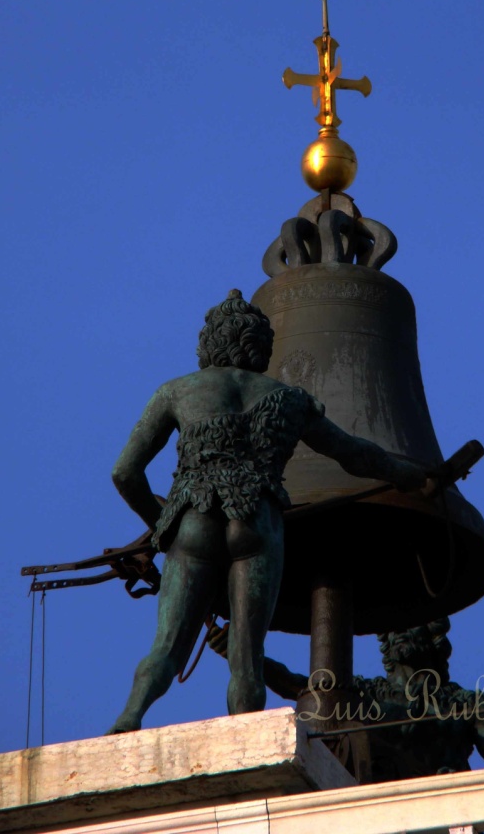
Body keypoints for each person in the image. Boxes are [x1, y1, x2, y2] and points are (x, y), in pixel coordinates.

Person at [107, 289, 425, 733]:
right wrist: (408, 475)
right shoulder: (290, 399)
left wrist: (163, 526)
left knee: (166, 647)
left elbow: (125, 473)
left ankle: (130, 717)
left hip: (193, 520)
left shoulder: (177, 391)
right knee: (246, 656)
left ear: (208, 343)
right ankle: (244, 735)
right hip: (257, 522)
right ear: (261, 347)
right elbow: (354, 455)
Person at [209, 616, 484, 779]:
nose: (401, 634)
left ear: (434, 638)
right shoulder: (362, 693)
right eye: (394, 630)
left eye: (413, 627)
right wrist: (242, 653)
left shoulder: (466, 703)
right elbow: (297, 686)